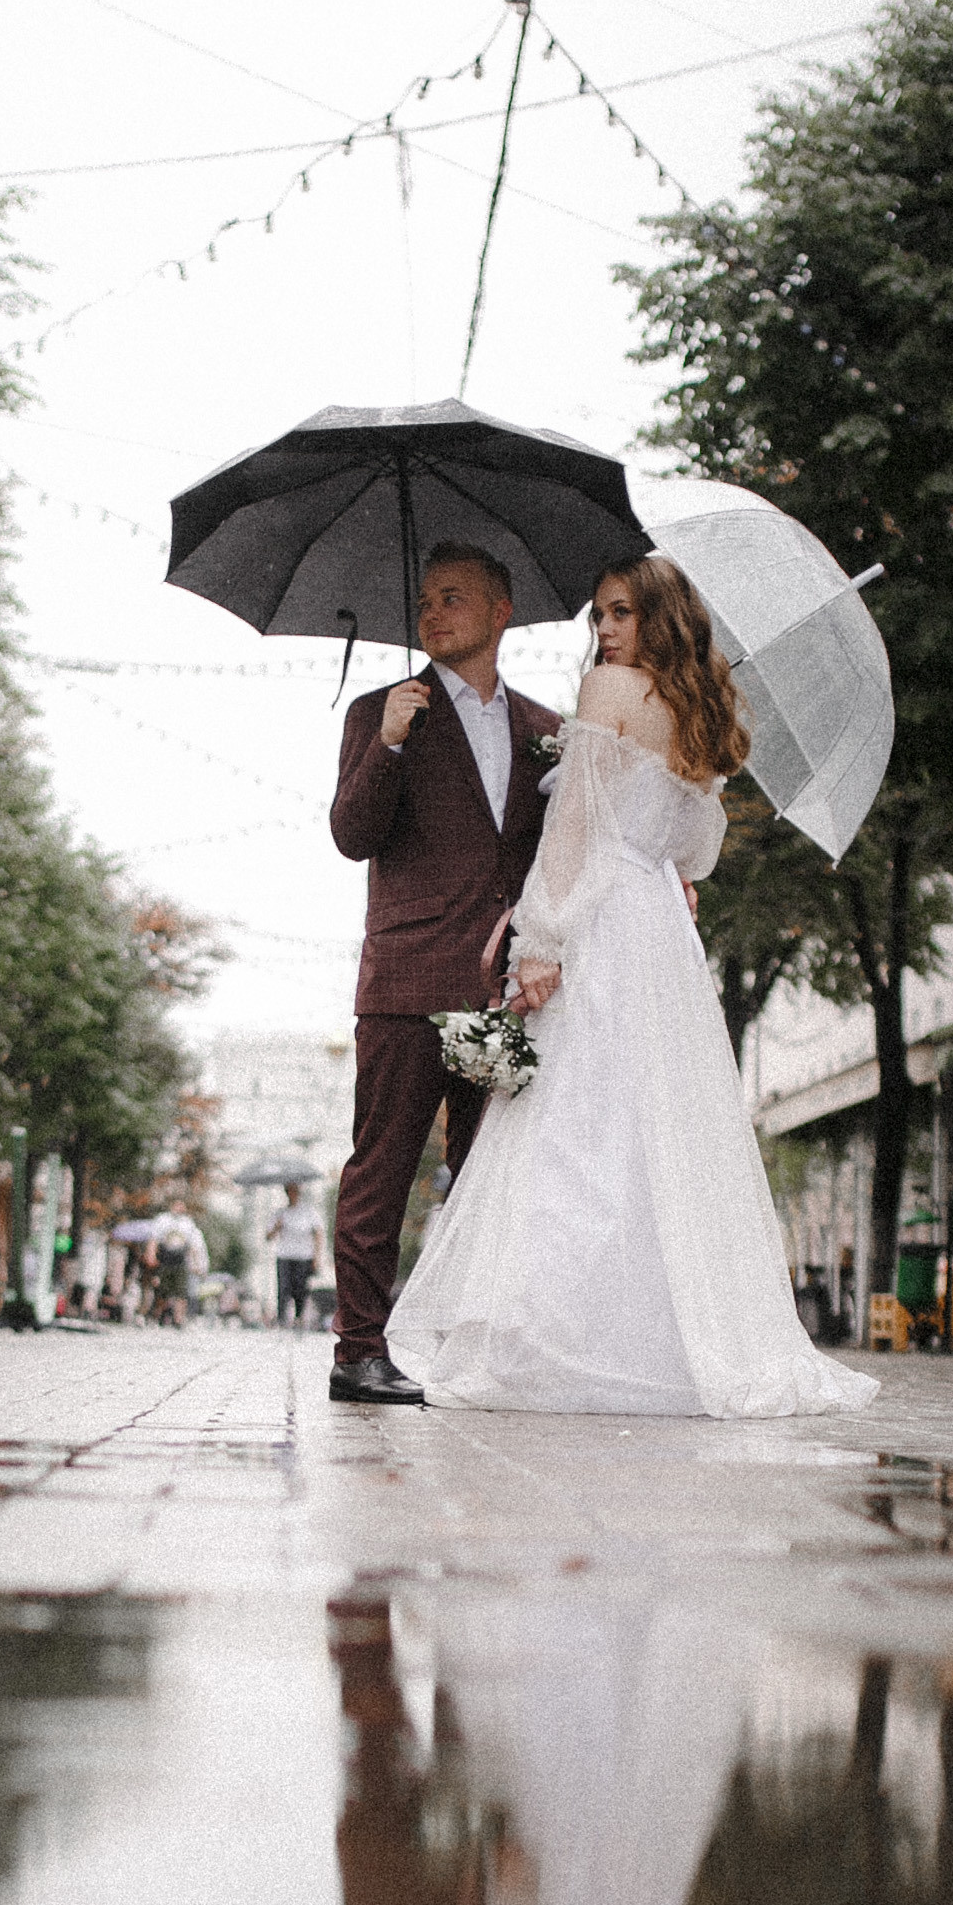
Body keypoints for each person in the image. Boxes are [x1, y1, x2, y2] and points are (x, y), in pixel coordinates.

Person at [383, 556, 877, 1420]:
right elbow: (695, 855)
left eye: (621, 612)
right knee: (658, 1136)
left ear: (660, 616)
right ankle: (659, 1341)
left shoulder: (609, 692)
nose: (605, 631)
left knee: (575, 1127)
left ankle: (562, 1340)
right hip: (662, 935)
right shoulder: (709, 716)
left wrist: (540, 938)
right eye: (598, 615)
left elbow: (572, 826)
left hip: (606, 920)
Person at [325, 545, 561, 1407]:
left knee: (492, 1173)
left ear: (501, 611)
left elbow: (555, 855)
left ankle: (476, 1348)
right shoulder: (383, 712)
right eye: (425, 599)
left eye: (453, 598)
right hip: (405, 984)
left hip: (499, 995)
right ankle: (358, 1349)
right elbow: (353, 833)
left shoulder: (545, 727)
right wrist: (388, 741)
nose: (433, 613)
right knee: (381, 1169)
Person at [264, 1178, 321, 1329]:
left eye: (295, 1191)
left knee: (300, 1288)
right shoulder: (280, 1213)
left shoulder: (308, 1212)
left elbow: (318, 1234)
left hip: (303, 1256)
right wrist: (277, 1227)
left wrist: (316, 1257)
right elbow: (268, 1237)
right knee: (283, 1287)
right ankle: (282, 1318)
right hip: (285, 1255)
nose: (292, 1194)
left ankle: (298, 1317)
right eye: (289, 1191)